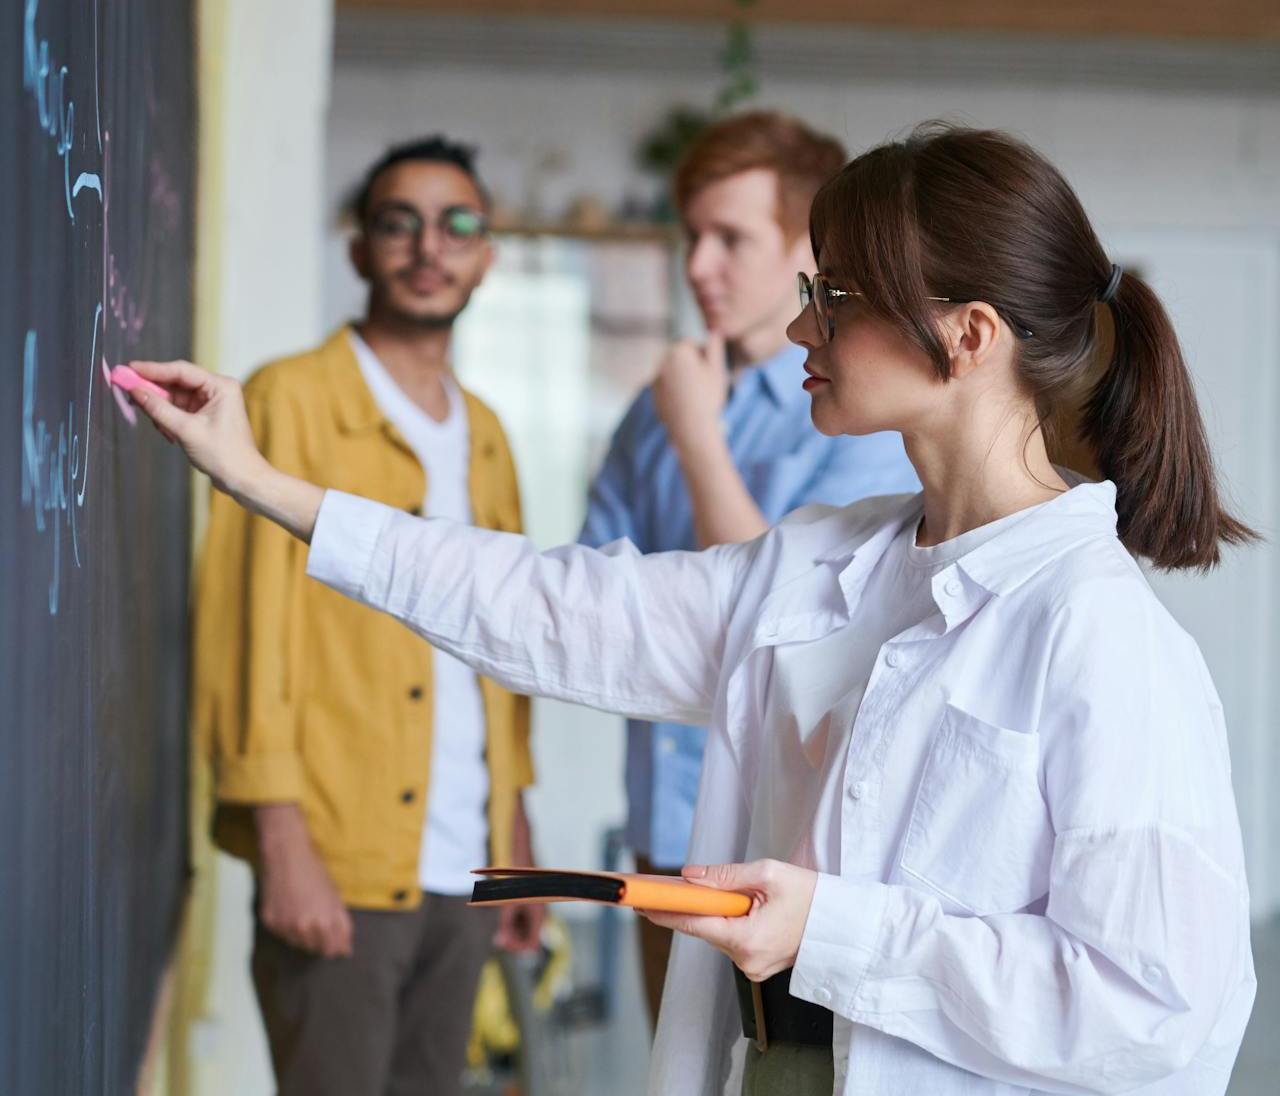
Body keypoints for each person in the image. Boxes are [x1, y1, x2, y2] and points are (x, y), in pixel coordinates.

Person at [134, 123, 1256, 1096]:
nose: (799, 329)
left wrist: (831, 927)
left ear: (966, 336)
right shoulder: (821, 564)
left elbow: (1148, 1003)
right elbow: (549, 606)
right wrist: (268, 483)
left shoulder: (1098, 636)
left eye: (835, 296)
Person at [189, 135, 540, 1096]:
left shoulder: (490, 436)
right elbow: (243, 629)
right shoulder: (290, 400)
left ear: (486, 257)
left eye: (457, 225)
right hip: (340, 858)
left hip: (468, 868)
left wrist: (515, 832)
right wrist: (280, 840)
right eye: (400, 223)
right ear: (359, 250)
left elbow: (502, 648)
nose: (429, 246)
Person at [579, 111, 918, 1024]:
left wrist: (697, 437)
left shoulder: (872, 416)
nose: (699, 265)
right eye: (692, 235)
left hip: (799, 856)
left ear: (806, 252)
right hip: (665, 837)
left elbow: (787, 620)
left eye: (730, 237)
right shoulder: (655, 411)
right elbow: (598, 603)